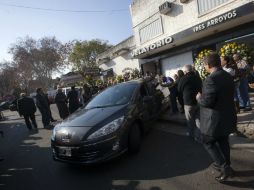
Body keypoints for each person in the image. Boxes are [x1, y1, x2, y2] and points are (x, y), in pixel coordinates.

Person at [196, 52, 236, 182]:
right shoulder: (228, 75)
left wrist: (199, 98)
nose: (204, 68)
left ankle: (225, 168)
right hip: (227, 116)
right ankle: (227, 164)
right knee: (223, 141)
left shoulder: (211, 79)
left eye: (204, 65)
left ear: (208, 65)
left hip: (214, 120)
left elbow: (207, 102)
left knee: (207, 141)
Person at [178, 65, 202, 141]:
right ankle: (199, 136)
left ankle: (191, 134)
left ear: (185, 71)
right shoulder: (197, 77)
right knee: (198, 120)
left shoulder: (183, 78)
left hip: (188, 103)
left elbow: (179, 89)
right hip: (198, 101)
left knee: (190, 120)